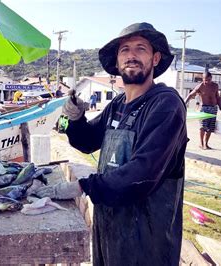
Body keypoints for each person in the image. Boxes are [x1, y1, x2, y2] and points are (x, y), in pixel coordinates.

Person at [35, 22, 187, 265]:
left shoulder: (166, 105)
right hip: (110, 229)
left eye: (141, 49)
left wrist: (83, 187)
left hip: (148, 240)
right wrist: (75, 119)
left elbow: (143, 173)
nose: (132, 56)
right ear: (117, 62)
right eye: (125, 50)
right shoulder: (117, 105)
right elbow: (87, 141)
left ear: (155, 58)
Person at [184, 72, 221, 150]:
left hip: (214, 108)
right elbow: (190, 95)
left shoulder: (215, 86)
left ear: (211, 78)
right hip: (204, 108)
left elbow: (217, 97)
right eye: (205, 80)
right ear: (203, 79)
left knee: (211, 128)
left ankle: (206, 144)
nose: (207, 82)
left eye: (209, 80)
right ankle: (201, 143)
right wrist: (183, 104)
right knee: (203, 126)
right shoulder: (200, 86)